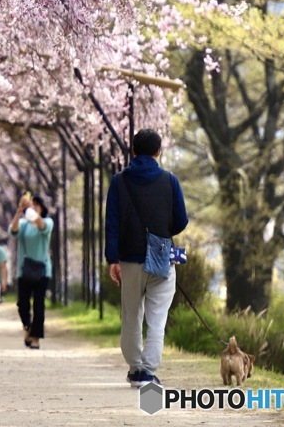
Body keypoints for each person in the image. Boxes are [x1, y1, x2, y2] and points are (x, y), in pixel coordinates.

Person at [105, 128, 188, 388]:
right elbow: (181, 221)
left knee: (131, 315)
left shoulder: (119, 181)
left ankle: (135, 368)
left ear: (132, 151)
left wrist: (112, 258)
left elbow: (112, 223)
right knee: (157, 317)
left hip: (129, 257)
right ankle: (148, 373)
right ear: (158, 151)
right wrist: (162, 231)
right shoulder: (170, 180)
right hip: (162, 255)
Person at [9, 193, 54, 350]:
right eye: (31, 205)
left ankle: (36, 337)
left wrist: (31, 211)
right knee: (22, 304)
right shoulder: (23, 224)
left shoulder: (47, 222)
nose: (33, 208)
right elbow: (12, 231)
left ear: (42, 208)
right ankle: (28, 327)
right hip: (24, 269)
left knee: (39, 305)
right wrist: (20, 210)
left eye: (36, 205)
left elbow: (42, 226)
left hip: (42, 270)